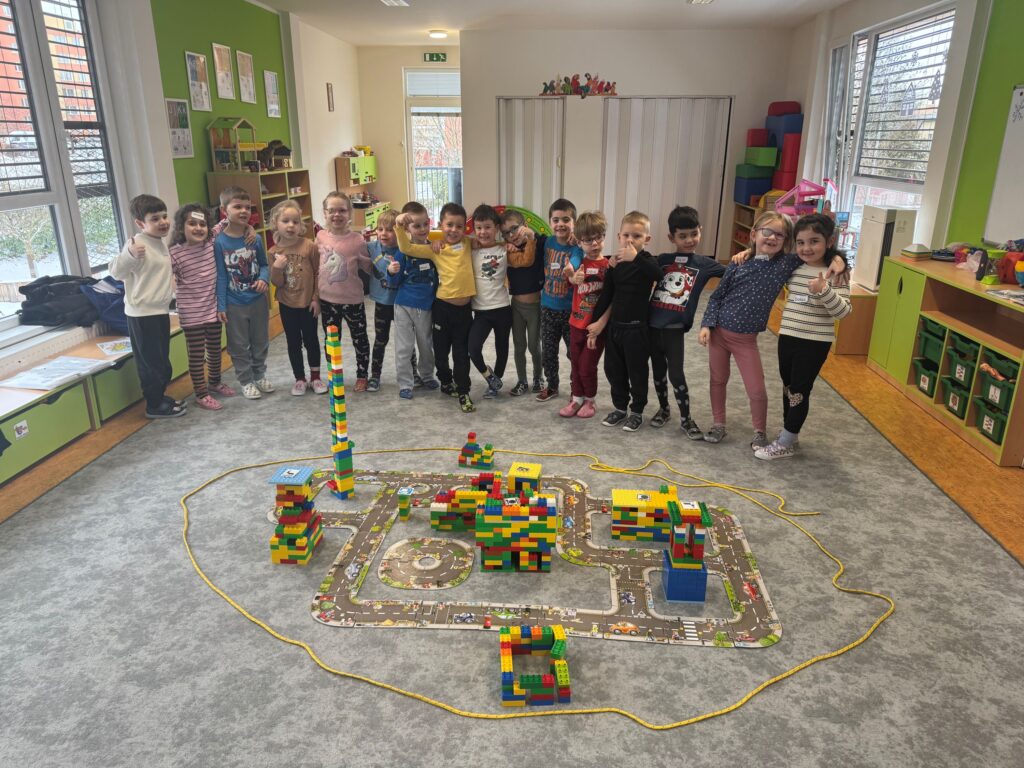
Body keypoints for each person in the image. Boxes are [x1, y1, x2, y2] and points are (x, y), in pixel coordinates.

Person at [698, 211, 846, 448]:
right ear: (754, 234)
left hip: (746, 340)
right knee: (718, 380)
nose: (772, 237)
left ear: (786, 241)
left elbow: (815, 252)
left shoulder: (787, 263)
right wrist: (707, 324)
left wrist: (839, 258)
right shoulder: (738, 263)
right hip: (718, 333)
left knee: (757, 390)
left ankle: (759, 431)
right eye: (767, 231)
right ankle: (718, 424)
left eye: (780, 235)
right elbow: (717, 296)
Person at [755, 213, 851, 460]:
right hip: (788, 337)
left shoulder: (836, 273)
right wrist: (747, 252)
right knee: (788, 387)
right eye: (801, 242)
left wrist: (824, 290)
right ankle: (790, 434)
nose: (807, 248)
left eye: (814, 241)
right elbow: (768, 258)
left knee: (800, 390)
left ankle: (786, 442)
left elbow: (843, 312)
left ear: (829, 241)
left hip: (814, 342)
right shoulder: (795, 266)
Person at [647, 206, 725, 439]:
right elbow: (638, 266)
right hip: (652, 326)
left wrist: (747, 254)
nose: (689, 240)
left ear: (700, 230)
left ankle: (686, 418)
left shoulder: (705, 264)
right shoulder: (662, 260)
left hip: (675, 329)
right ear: (672, 237)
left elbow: (734, 273)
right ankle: (664, 409)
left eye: (694, 234)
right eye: (682, 236)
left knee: (676, 374)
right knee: (658, 372)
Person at [394, 202, 477, 413]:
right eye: (449, 225)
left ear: (465, 228)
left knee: (461, 352)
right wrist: (399, 226)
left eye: (459, 226)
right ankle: (445, 381)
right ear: (441, 225)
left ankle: (463, 389)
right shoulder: (435, 249)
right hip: (441, 308)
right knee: (440, 351)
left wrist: (522, 238)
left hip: (464, 311)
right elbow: (406, 248)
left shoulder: (468, 243)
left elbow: (489, 242)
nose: (454, 230)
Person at [109, 194, 184, 418]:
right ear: (140, 223)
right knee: (151, 364)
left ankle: (159, 397)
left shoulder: (158, 242)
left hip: (160, 311)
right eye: (155, 219)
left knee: (161, 361)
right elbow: (116, 272)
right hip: (142, 315)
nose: (163, 222)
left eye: (164, 216)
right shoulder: (137, 244)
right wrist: (129, 255)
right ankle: (154, 405)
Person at [589, 211, 662, 432]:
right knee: (613, 370)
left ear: (647, 239)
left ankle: (637, 411)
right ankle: (620, 408)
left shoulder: (647, 260)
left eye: (637, 236)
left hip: (637, 329)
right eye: (626, 235)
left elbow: (658, 275)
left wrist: (636, 258)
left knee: (637, 372)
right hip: (615, 328)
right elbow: (607, 294)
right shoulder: (615, 263)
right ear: (619, 236)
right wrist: (595, 325)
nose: (630, 240)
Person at [168, 203, 237, 411]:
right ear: (181, 227)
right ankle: (201, 393)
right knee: (197, 356)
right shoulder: (174, 253)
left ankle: (214, 382)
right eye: (192, 223)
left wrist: (248, 227)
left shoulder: (211, 240)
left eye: (202, 224)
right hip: (192, 315)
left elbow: (227, 220)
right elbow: (160, 273)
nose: (198, 228)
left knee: (215, 350)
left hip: (213, 310)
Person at [215, 186, 272, 400]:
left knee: (260, 341)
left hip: (258, 300)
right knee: (238, 345)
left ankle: (259, 375)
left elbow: (264, 264)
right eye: (237, 207)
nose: (244, 211)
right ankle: (246, 380)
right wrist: (221, 305)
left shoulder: (254, 239)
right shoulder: (219, 242)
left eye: (247, 207)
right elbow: (221, 276)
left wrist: (263, 279)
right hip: (234, 303)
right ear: (224, 210)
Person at [268, 199, 326, 396]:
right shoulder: (273, 252)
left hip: (308, 303)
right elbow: (277, 283)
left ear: (301, 224)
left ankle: (315, 377)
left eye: (295, 221)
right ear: (276, 223)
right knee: (293, 342)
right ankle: (299, 378)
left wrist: (316, 299)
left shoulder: (309, 246)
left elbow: (318, 273)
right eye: (285, 221)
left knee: (311, 340)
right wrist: (277, 268)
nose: (291, 225)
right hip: (287, 304)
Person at [315, 191, 372, 391]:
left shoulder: (358, 240)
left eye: (342, 210)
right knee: (331, 341)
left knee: (360, 339)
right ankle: (334, 375)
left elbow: (368, 267)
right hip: (327, 300)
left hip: (353, 300)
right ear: (325, 213)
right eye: (332, 210)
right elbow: (315, 264)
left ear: (349, 213)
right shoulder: (320, 236)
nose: (337, 215)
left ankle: (362, 375)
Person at [387, 202, 441, 399]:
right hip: (403, 305)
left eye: (425, 224)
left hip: (426, 306)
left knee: (426, 345)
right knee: (404, 347)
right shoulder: (403, 251)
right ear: (407, 229)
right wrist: (391, 272)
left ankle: (427, 375)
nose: (422, 229)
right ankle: (405, 383)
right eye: (416, 226)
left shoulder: (434, 248)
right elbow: (394, 282)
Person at [560, 211, 609, 419]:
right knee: (575, 362)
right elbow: (569, 278)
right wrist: (573, 278)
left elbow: (612, 298)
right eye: (588, 240)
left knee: (587, 366)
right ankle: (577, 398)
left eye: (598, 237)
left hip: (595, 328)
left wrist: (600, 326)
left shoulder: (608, 266)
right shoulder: (579, 262)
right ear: (579, 242)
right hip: (575, 324)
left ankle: (590, 399)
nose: (594, 243)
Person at [536, 199, 582, 403]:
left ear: (574, 222)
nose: (560, 224)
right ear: (550, 222)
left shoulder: (577, 246)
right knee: (548, 352)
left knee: (574, 353)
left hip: (571, 311)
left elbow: (576, 259)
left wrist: (570, 268)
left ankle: (576, 388)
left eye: (566, 219)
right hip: (548, 308)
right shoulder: (547, 242)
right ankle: (552, 385)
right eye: (556, 220)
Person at [366, 209, 418, 393]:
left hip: (402, 304)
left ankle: (414, 373)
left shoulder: (406, 248)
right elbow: (351, 245)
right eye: (380, 229)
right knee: (380, 340)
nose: (383, 234)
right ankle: (375, 375)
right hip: (382, 304)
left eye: (389, 230)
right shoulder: (372, 247)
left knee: (407, 341)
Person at [467, 204, 512, 399]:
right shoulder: (470, 249)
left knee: (502, 348)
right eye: (478, 227)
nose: (483, 232)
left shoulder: (505, 250)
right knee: (473, 348)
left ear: (497, 228)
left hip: (502, 309)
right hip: (481, 311)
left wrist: (509, 244)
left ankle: (496, 382)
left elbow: (526, 245)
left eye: (487, 227)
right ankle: (489, 376)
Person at [502, 208, 545, 396]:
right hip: (516, 307)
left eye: (514, 229)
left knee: (534, 346)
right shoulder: (508, 250)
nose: (512, 235)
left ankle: (538, 377)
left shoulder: (537, 244)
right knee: (519, 346)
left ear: (525, 226)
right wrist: (505, 246)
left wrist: (532, 236)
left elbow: (549, 240)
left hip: (535, 306)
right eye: (506, 232)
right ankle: (522, 380)